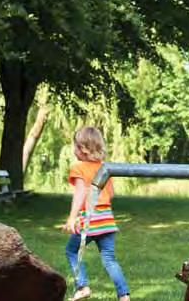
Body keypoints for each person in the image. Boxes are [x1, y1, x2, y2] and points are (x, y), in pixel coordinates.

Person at [63, 126, 131, 301]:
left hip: (90, 219)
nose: (74, 150)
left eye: (76, 146)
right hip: (107, 219)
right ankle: (124, 296)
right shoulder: (105, 167)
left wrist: (72, 217)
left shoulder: (79, 167)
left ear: (83, 149)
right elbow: (112, 193)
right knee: (109, 259)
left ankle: (82, 286)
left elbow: (80, 193)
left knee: (71, 250)